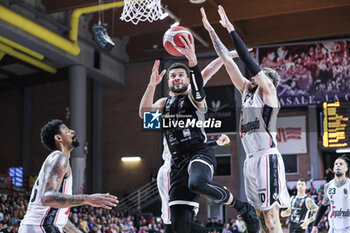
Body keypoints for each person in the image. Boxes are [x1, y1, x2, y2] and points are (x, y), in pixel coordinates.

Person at [139, 33, 259, 233]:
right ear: (168, 82)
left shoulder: (194, 99)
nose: (176, 78)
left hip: (198, 154)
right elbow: (144, 116)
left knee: (197, 183)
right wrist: (152, 85)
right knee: (179, 228)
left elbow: (205, 74)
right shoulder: (163, 104)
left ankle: (243, 208)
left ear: (187, 79)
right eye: (173, 76)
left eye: (180, 75)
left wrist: (220, 58)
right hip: (176, 162)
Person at [201, 5, 290, 233]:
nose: (250, 77)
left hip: (266, 158)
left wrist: (230, 28)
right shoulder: (246, 92)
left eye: (256, 76)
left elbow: (246, 60)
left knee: (271, 219)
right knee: (257, 218)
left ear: (265, 81)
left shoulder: (269, 92)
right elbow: (226, 59)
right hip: (250, 161)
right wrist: (211, 31)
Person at [19, 119, 119, 233]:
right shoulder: (59, 158)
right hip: (41, 227)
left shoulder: (59, 160)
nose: (72, 131)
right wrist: (88, 199)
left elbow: (59, 217)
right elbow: (47, 198)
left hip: (39, 226)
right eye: (66, 130)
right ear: (58, 138)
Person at [158, 134, 231, 233]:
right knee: (172, 220)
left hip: (186, 169)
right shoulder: (175, 123)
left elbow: (197, 147)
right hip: (173, 169)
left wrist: (216, 143)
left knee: (185, 219)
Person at [311, 155, 350, 233]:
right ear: (333, 169)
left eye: (341, 164)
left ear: (346, 169)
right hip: (333, 228)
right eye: (336, 164)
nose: (338, 165)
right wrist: (315, 224)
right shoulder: (328, 186)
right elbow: (323, 206)